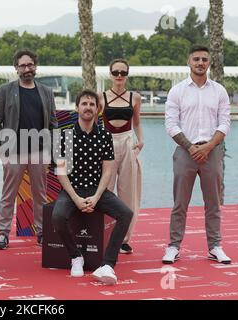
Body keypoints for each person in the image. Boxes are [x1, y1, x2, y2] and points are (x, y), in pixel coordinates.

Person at [52, 89, 132, 285]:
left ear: (98, 109)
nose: (88, 107)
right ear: (77, 107)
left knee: (126, 214)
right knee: (57, 216)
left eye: (92, 104)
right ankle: (76, 256)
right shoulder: (65, 136)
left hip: (97, 190)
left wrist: (96, 197)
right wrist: (77, 199)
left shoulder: (104, 135)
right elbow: (61, 173)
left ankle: (107, 265)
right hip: (73, 189)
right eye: (84, 104)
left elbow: (107, 171)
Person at [163, 45, 231, 264]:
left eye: (204, 59)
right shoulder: (177, 91)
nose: (200, 63)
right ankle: (173, 246)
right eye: (196, 59)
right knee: (179, 204)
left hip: (212, 152)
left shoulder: (219, 91)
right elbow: (171, 124)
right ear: (188, 62)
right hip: (185, 152)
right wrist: (191, 148)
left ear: (209, 62)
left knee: (213, 203)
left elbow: (225, 122)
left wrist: (209, 146)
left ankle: (215, 247)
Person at [0, 49, 57, 249]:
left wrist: (51, 152)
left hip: (39, 152)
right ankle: (3, 233)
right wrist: (0, 151)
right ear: (16, 68)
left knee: (40, 195)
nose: (27, 69)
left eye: (30, 65)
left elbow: (53, 122)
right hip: (13, 152)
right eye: (23, 65)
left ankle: (42, 232)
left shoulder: (46, 91)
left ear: (35, 66)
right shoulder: (5, 90)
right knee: (8, 194)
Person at [99, 59, 143, 254]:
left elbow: (137, 123)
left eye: (122, 73)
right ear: (110, 74)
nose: (119, 76)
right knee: (104, 190)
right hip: (106, 141)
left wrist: (140, 141)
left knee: (128, 191)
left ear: (127, 75)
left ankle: (124, 238)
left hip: (127, 141)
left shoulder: (135, 97)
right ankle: (102, 233)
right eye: (115, 72)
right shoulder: (101, 97)